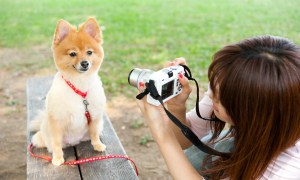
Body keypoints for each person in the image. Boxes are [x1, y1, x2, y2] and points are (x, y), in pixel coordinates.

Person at [136, 35, 300, 179]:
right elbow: (186, 141)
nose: (211, 95)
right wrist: (176, 106)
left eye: (220, 97)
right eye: (213, 86)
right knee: (201, 154)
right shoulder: (228, 87)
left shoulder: (286, 169)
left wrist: (160, 130)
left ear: (254, 113)